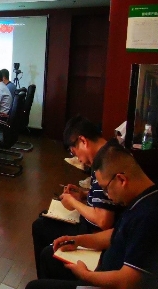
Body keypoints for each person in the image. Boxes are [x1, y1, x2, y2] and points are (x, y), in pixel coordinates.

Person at [23, 143, 158, 289]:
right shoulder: (145, 198)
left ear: (121, 179)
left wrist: (86, 275)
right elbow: (114, 235)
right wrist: (78, 240)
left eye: (106, 189)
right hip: (102, 271)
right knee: (49, 255)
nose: (107, 196)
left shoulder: (152, 215)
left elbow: (128, 283)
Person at [31, 116, 123, 277]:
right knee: (42, 221)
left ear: (83, 141)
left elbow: (104, 221)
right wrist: (83, 195)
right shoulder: (109, 151)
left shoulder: (105, 163)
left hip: (95, 232)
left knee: (41, 230)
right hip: (94, 227)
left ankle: (48, 279)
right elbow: (107, 200)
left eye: (75, 153)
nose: (79, 160)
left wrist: (73, 202)